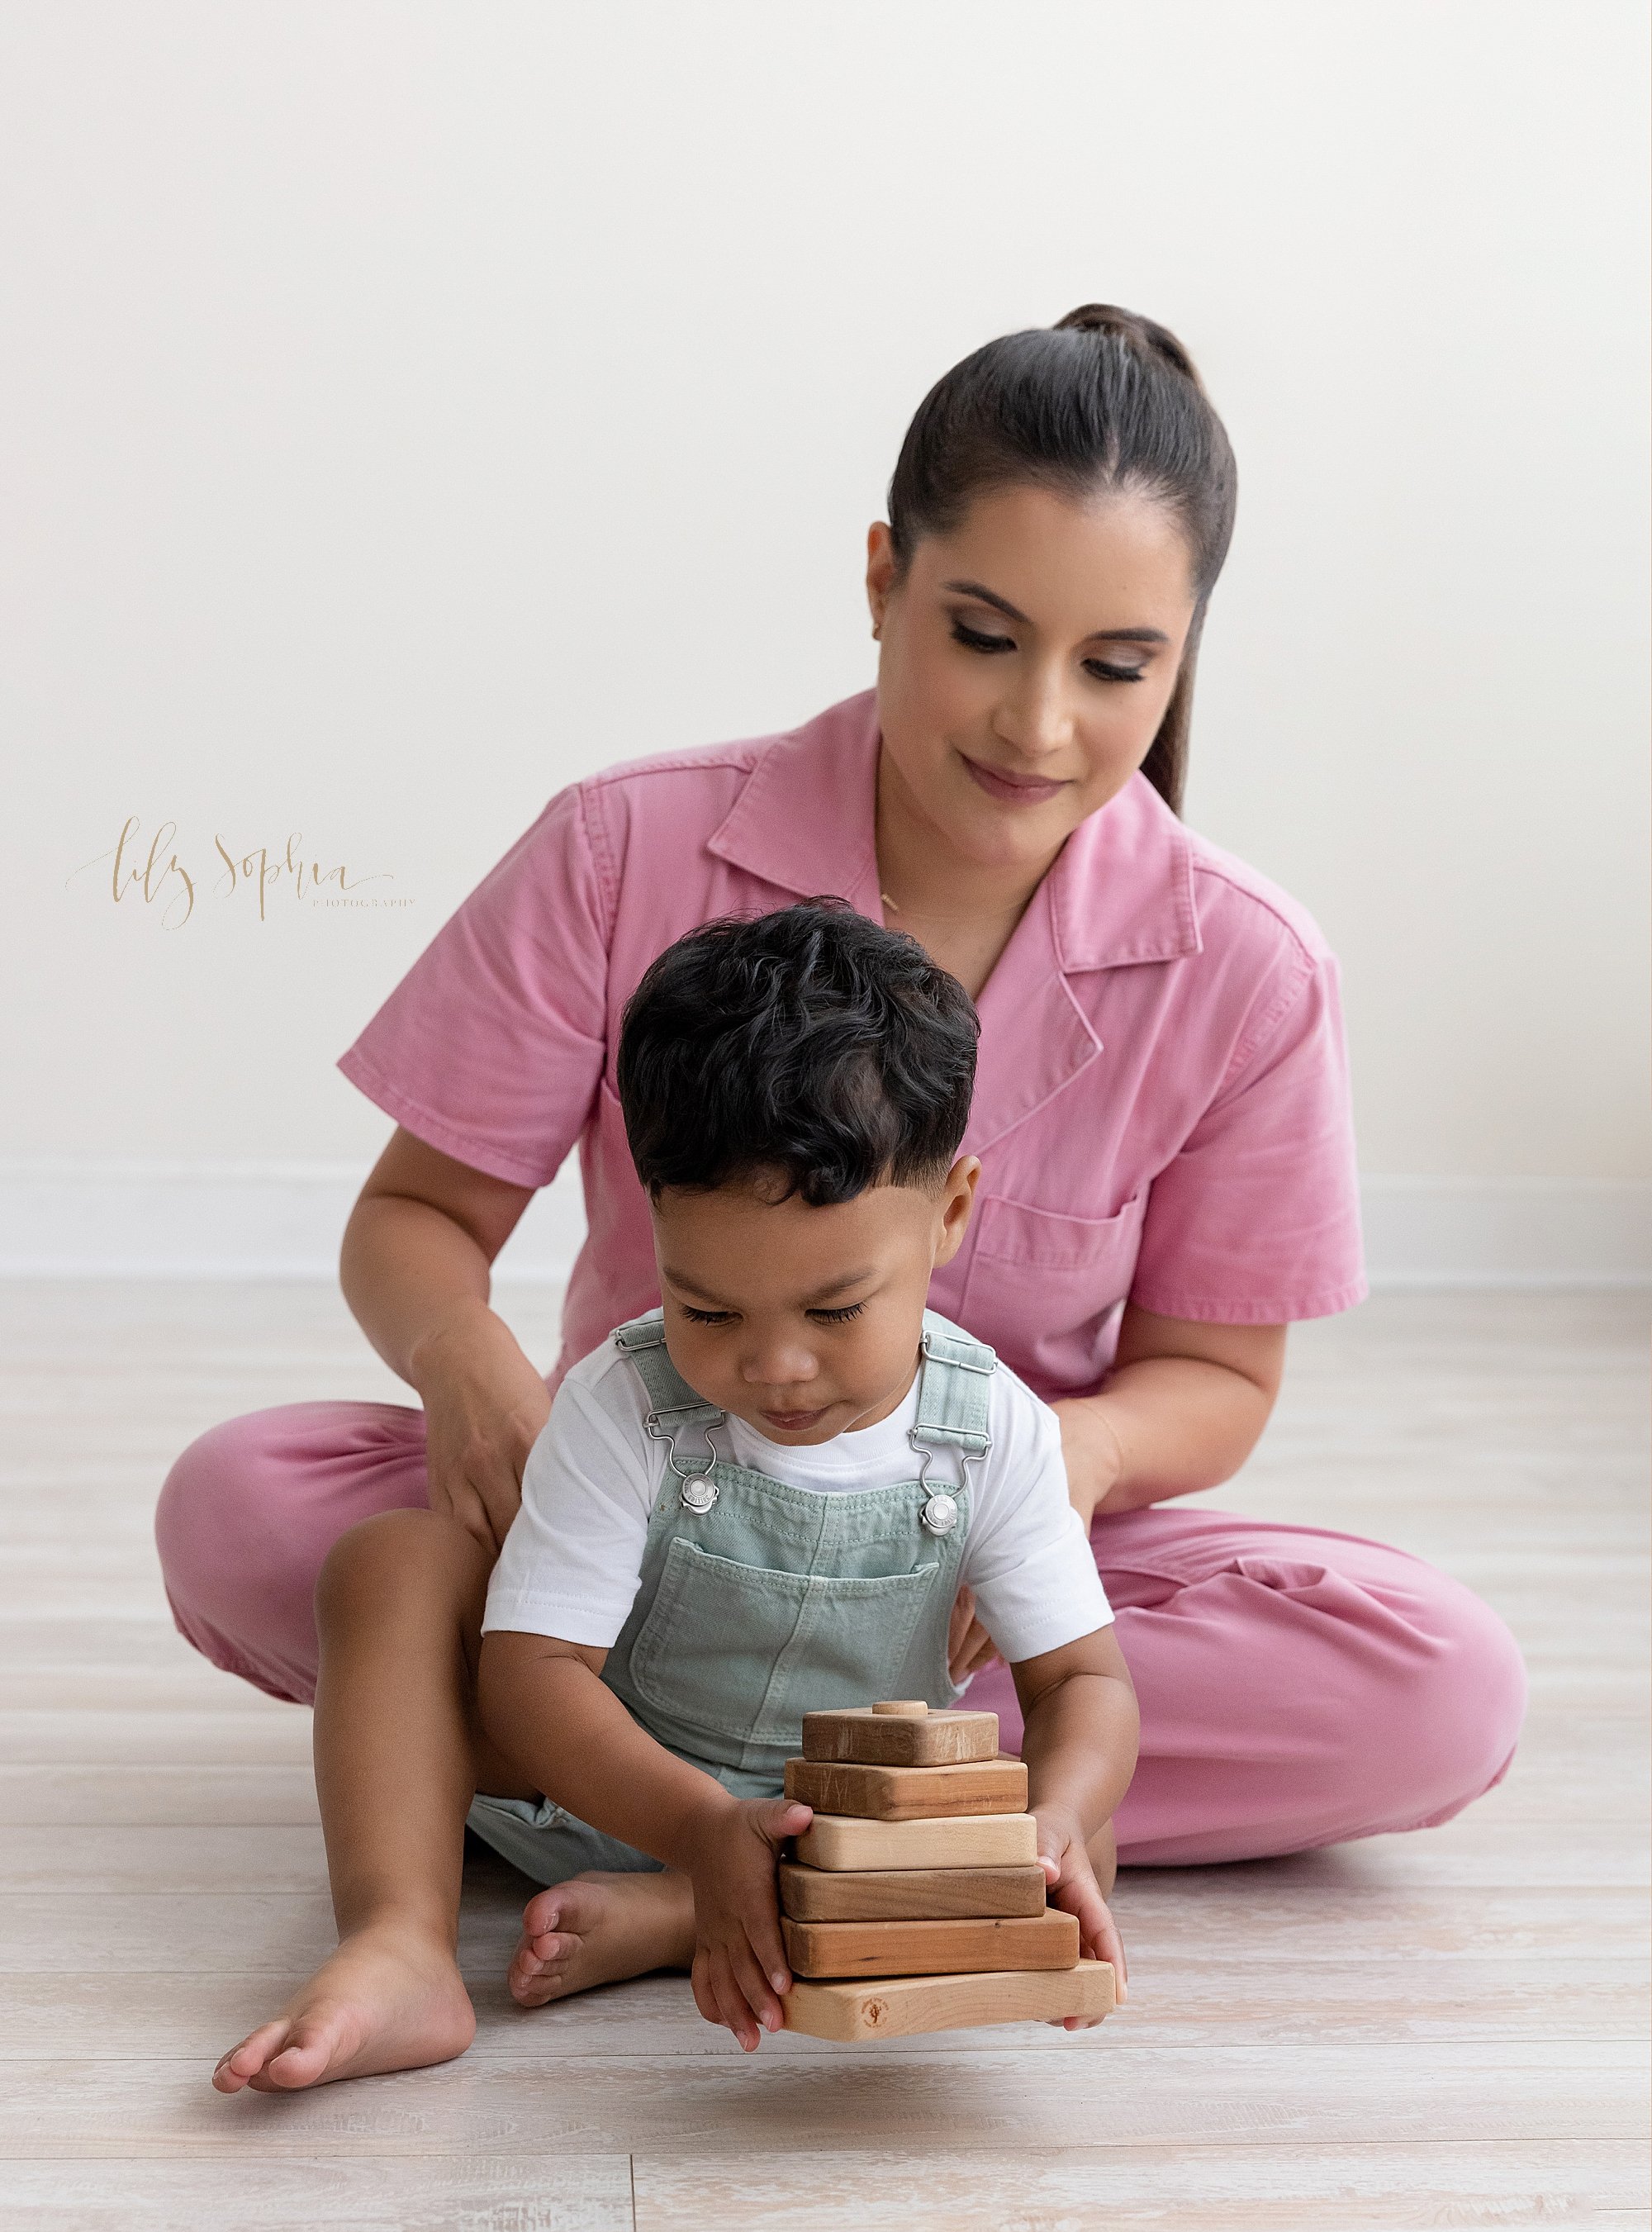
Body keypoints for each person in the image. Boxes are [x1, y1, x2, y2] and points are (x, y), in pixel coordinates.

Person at [156, 302, 1526, 1878]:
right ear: (884, 579)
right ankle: (825, 1799)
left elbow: (1215, 1378)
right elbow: (416, 1215)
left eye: (1118, 665)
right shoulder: (622, 847)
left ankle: (620, 1775)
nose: (1039, 723)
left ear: (1184, 654)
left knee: (1443, 1681)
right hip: (648, 1535)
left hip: (982, 1591)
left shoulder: (1250, 964)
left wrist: (1066, 1471)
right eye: (983, 636)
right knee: (242, 1506)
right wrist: (470, 1371)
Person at [212, 907, 1137, 2092]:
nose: (773, 1367)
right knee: (391, 1562)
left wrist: (1055, 1817)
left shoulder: (992, 1424)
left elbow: (1086, 1683)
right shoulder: (628, 1403)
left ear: (949, 1212)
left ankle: (694, 1911)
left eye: (835, 1310)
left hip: (843, 1828)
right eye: (708, 1311)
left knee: (1080, 1821)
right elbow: (531, 1678)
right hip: (609, 1784)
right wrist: (703, 1824)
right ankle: (400, 1937)